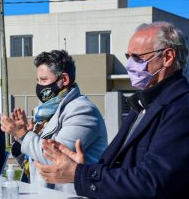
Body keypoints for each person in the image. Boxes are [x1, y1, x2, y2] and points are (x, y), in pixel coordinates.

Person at [34, 21, 189, 198]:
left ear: (167, 57)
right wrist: (83, 168)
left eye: (137, 57)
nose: (130, 64)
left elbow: (151, 182)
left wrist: (79, 174)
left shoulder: (181, 107)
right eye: (128, 57)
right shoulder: (143, 105)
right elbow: (120, 168)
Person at [0, 50, 107, 192]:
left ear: (65, 79)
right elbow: (33, 163)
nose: (39, 86)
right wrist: (22, 138)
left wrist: (24, 135)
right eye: (37, 81)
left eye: (44, 80)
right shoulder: (46, 113)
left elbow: (55, 160)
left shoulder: (82, 111)